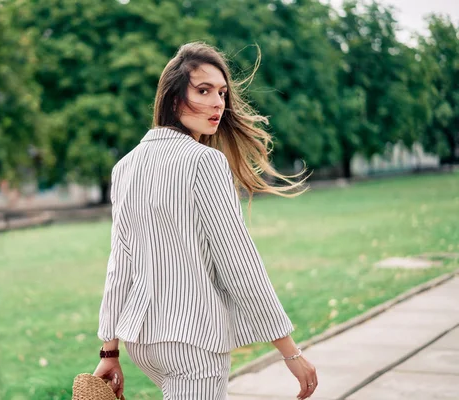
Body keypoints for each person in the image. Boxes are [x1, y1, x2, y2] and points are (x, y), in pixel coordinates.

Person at [93, 42, 317, 400]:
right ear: (173, 100)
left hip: (142, 341)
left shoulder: (125, 167)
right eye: (203, 90)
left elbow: (119, 264)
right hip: (192, 342)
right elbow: (239, 262)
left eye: (222, 92)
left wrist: (110, 349)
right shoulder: (205, 162)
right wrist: (290, 351)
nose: (218, 103)